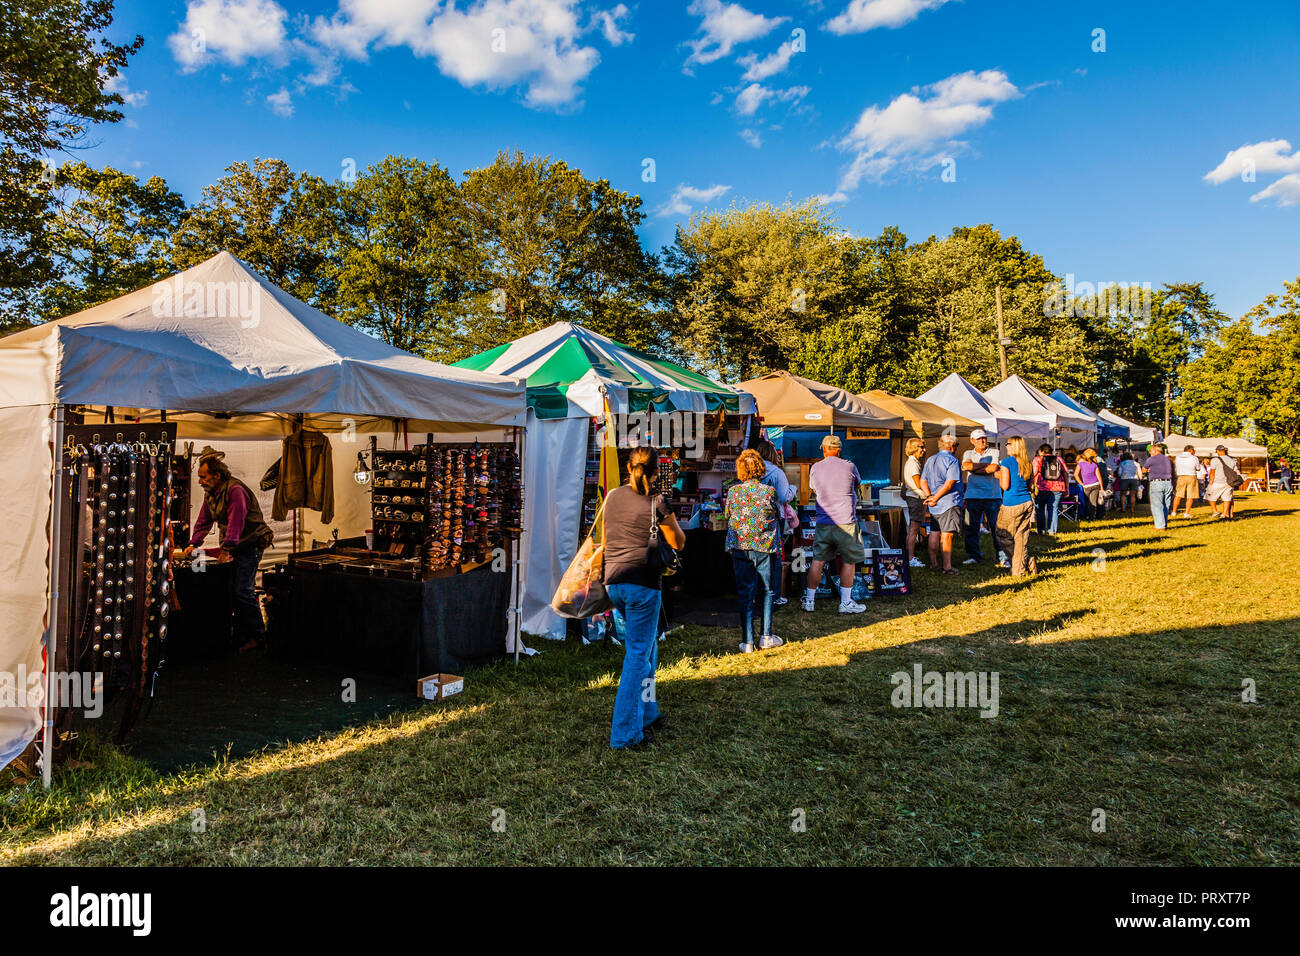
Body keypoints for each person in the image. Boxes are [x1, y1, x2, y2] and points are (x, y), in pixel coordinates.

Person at [601, 447, 686, 749]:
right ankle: (625, 734)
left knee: (647, 647)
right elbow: (679, 541)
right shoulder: (657, 502)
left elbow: (608, 535)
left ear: (628, 467)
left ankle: (648, 712)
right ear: (654, 472)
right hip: (643, 584)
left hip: (614, 581)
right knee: (638, 655)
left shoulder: (612, 496)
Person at [183, 453, 276, 653]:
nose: (199, 481)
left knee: (242, 591)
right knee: (231, 591)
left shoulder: (235, 491)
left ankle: (259, 637)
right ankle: (241, 635)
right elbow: (204, 521)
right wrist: (192, 543)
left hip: (251, 544)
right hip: (235, 545)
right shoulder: (212, 493)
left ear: (217, 475)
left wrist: (226, 550)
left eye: (203, 477)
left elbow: (236, 523)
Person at [802, 435, 868, 614]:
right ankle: (845, 602)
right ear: (839, 450)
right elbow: (858, 484)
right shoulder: (849, 466)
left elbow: (814, 489)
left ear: (823, 449)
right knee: (849, 561)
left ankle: (809, 601)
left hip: (824, 520)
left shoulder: (815, 467)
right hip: (846, 521)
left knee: (818, 560)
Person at [726, 449, 783, 654]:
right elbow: (776, 514)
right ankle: (766, 636)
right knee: (767, 590)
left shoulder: (733, 492)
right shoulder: (769, 492)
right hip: (764, 547)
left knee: (745, 593)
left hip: (740, 547)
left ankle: (747, 641)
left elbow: (728, 515)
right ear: (760, 468)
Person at [757, 441, 796, 608]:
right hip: (773, 517)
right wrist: (793, 489)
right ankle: (775, 595)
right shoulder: (777, 472)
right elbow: (783, 497)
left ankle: (757, 594)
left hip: (754, 518)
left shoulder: (753, 471)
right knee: (774, 557)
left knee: (756, 556)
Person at [995, 436, 1038, 577]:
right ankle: (1019, 570)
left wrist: (999, 475)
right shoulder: (1028, 463)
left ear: (1014, 446)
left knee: (1002, 535)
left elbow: (1005, 485)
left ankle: (1023, 563)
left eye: (1008, 444)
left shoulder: (1006, 462)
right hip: (1027, 502)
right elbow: (1031, 486)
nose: (1006, 446)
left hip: (1011, 503)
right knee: (1021, 538)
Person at [921, 433, 963, 573]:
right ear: (952, 446)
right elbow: (949, 483)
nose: (957, 448)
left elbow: (923, 481)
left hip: (935, 505)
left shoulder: (930, 459)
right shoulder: (952, 460)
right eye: (957, 445)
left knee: (934, 532)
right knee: (947, 535)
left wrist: (929, 496)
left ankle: (933, 564)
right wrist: (936, 497)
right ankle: (947, 566)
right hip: (948, 502)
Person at [961, 428, 1003, 566]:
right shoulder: (967, 452)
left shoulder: (994, 451)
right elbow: (966, 466)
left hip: (992, 496)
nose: (982, 441)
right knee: (971, 528)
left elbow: (993, 468)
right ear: (972, 441)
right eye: (978, 439)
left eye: (983, 438)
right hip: (973, 496)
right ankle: (974, 556)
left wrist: (974, 468)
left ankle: (1002, 557)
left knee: (997, 528)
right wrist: (986, 467)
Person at [901, 437, 931, 569]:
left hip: (914, 497)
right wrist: (930, 494)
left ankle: (911, 556)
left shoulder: (913, 461)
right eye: (921, 447)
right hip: (916, 497)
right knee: (914, 529)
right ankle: (910, 558)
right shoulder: (913, 463)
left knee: (914, 528)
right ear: (913, 448)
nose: (924, 450)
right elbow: (919, 483)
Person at [1032, 444, 1068, 534]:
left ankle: (1041, 530)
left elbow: (1034, 472)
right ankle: (1052, 531)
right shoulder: (1059, 459)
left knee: (1040, 508)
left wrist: (1031, 484)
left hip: (1042, 487)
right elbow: (1066, 473)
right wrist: (1067, 488)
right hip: (1058, 487)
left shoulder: (1038, 459)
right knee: (1054, 508)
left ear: (1041, 451)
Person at [1143, 442, 1175, 529]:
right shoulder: (1168, 459)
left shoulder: (1151, 459)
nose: (1150, 453)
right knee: (1166, 505)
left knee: (1157, 505)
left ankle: (1161, 526)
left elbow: (1143, 470)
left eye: (1150, 451)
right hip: (1168, 483)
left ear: (1155, 451)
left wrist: (1148, 470)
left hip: (1157, 483)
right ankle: (1164, 523)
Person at [1206, 444, 1239, 519]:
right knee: (1227, 498)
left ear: (1218, 451)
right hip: (1229, 482)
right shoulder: (1232, 460)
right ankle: (1224, 514)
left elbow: (1212, 472)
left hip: (1217, 481)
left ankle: (1215, 511)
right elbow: (1236, 471)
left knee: (1209, 496)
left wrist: (1210, 482)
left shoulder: (1215, 460)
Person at [1073, 448, 1105, 521]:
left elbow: (1075, 474)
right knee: (1093, 502)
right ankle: (1091, 518)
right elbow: (1099, 477)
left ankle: (1085, 516)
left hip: (1086, 486)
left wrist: (1081, 483)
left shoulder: (1080, 464)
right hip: (1095, 485)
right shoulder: (1094, 465)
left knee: (1087, 502)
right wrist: (1102, 487)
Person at [1172, 444, 1201, 518]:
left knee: (1178, 495)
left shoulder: (1177, 457)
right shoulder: (1194, 458)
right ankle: (1186, 513)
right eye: (1194, 450)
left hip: (1181, 476)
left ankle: (1174, 511)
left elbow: (1175, 466)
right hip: (1191, 476)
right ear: (1191, 450)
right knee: (1190, 495)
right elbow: (1198, 468)